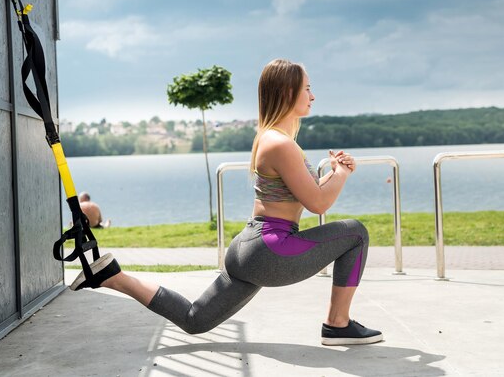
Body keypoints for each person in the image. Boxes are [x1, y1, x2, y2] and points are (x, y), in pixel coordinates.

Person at [70, 59, 383, 346]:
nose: (313, 96)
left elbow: (305, 194)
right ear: (289, 92)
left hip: (251, 247)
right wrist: (341, 173)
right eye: (308, 88)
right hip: (270, 249)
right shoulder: (281, 144)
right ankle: (337, 324)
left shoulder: (273, 139)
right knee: (356, 233)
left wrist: (332, 175)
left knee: (195, 319)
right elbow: (317, 205)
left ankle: (113, 276)